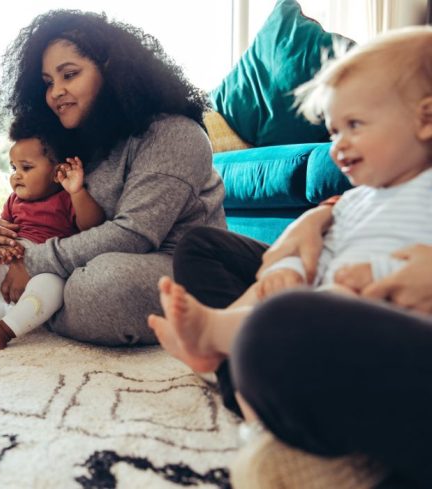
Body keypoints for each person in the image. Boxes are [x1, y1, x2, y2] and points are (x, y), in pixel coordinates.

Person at [150, 27, 432, 488]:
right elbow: (315, 256)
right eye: (334, 130)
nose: (337, 145)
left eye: (355, 125)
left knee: (283, 322)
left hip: (376, 312)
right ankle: (254, 389)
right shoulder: (361, 198)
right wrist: (291, 256)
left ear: (426, 119)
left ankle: (233, 349)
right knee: (202, 248)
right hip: (339, 319)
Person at [0, 10, 225, 345]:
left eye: (69, 74)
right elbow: (34, 203)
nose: (55, 91)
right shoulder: (81, 138)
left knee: (100, 288)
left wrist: (26, 261)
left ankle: (3, 303)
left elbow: (133, 235)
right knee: (75, 281)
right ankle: (6, 296)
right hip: (86, 260)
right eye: (47, 82)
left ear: (112, 72)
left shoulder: (174, 133)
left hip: (173, 267)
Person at [0, 121, 105, 352]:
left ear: (57, 173)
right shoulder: (14, 201)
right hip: (7, 273)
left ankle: (5, 329)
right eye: (13, 168)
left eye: (26, 168)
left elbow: (93, 226)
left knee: (50, 289)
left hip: (46, 272)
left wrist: (77, 191)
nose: (16, 176)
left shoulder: (66, 198)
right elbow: (2, 232)